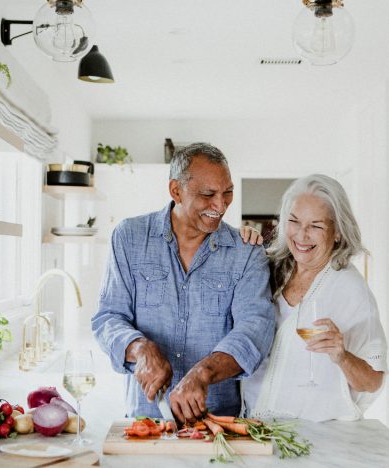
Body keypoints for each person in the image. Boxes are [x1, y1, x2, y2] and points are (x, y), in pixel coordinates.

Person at [91, 142, 275, 423]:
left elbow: (255, 329)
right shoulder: (129, 237)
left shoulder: (246, 251)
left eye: (227, 193)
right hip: (145, 420)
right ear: (176, 190)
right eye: (208, 194)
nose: (221, 205)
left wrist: (204, 372)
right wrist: (139, 348)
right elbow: (108, 317)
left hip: (217, 424)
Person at [241, 174, 388, 422]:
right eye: (294, 221)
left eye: (316, 226)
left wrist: (342, 356)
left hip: (313, 436)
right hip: (253, 425)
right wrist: (240, 243)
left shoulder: (350, 290)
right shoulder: (270, 268)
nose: (301, 235)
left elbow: (372, 381)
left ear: (338, 232)